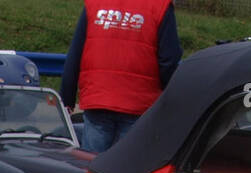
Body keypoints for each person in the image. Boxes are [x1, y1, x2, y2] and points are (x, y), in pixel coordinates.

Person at [60, 2, 182, 153]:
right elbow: (169, 59)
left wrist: (67, 98)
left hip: (98, 100)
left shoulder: (95, 4)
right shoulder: (160, 6)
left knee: (90, 167)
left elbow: (75, 53)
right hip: (138, 104)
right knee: (126, 169)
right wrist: (165, 95)